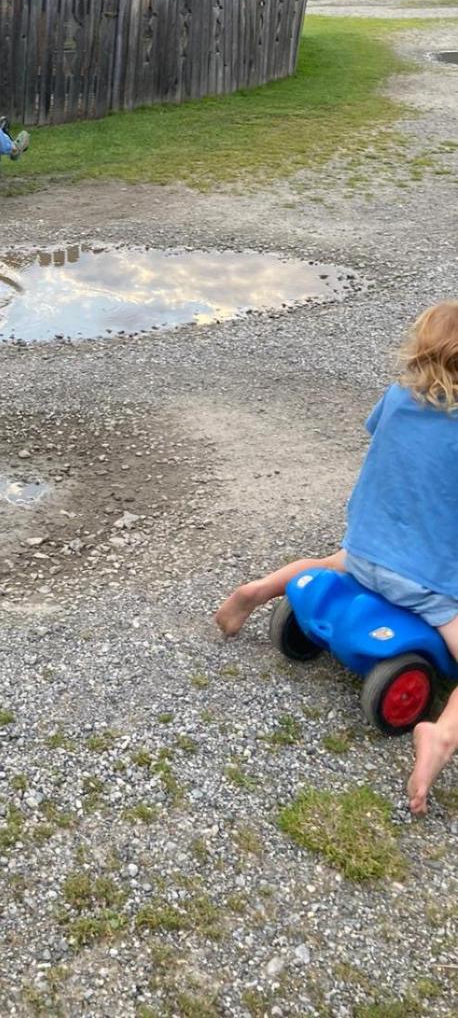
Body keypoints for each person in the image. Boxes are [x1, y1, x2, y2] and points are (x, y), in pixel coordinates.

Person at [215, 301, 458, 816]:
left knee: (330, 562)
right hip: (430, 586)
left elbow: (385, 443)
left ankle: (255, 592)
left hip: (365, 551)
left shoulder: (397, 397)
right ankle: (440, 736)